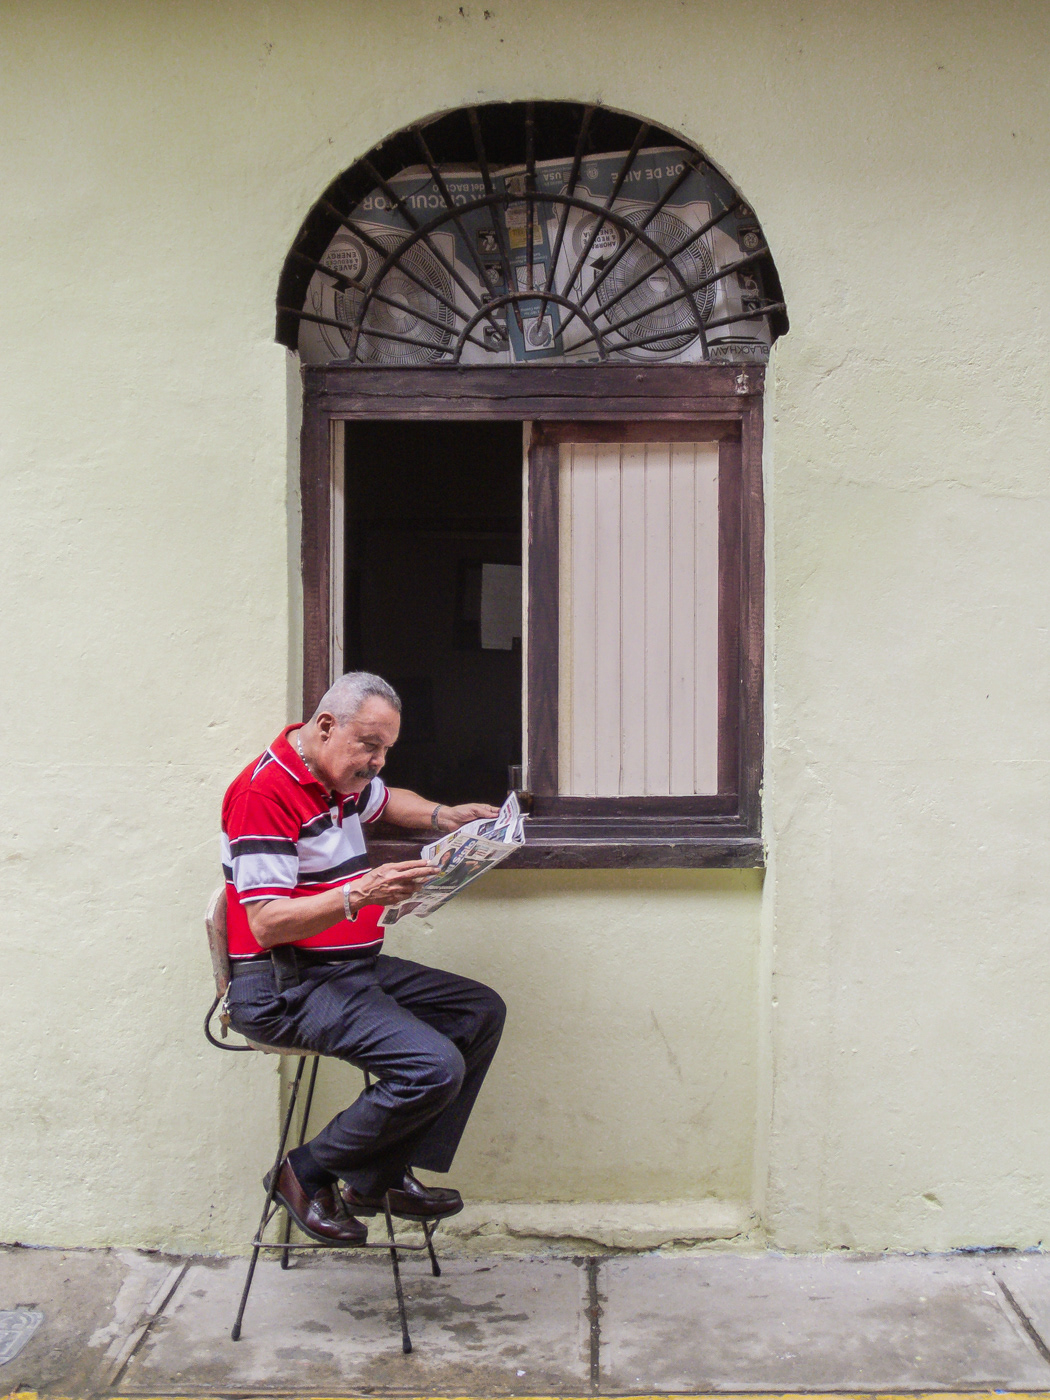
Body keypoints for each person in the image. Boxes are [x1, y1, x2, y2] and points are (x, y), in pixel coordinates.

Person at [221, 672, 506, 1245]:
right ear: (326, 727)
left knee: (479, 1011)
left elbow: (388, 801)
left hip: (343, 970)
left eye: (385, 751)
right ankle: (303, 1173)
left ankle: (377, 1175)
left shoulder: (337, 776)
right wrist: (359, 892)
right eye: (369, 747)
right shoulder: (263, 793)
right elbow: (266, 922)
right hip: (284, 984)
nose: (376, 763)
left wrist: (441, 816)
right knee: (432, 1067)